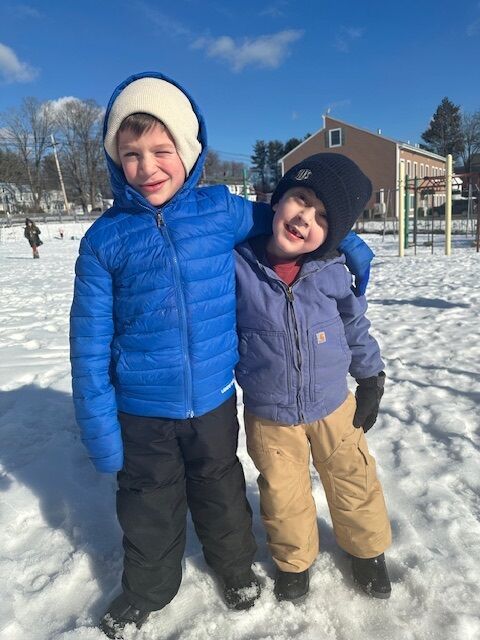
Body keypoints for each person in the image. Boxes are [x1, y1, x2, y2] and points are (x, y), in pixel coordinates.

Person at [69, 71, 277, 638]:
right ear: (115, 160)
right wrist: (100, 430)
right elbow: (87, 344)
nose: (147, 166)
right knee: (147, 505)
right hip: (142, 411)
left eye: (163, 150)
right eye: (130, 153)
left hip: (211, 399)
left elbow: (290, 223)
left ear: (189, 153)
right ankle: (148, 589)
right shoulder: (105, 240)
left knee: (222, 489)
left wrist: (344, 239)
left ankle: (234, 568)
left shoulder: (220, 211)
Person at [234, 153, 392, 604]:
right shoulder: (237, 267)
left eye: (322, 217)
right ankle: (294, 562)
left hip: (332, 404)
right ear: (278, 200)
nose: (305, 218)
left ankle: (367, 552)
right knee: (283, 495)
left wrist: (370, 376)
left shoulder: (331, 271)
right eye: (300, 200)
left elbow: (355, 326)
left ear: (333, 234)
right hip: (270, 412)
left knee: (353, 479)